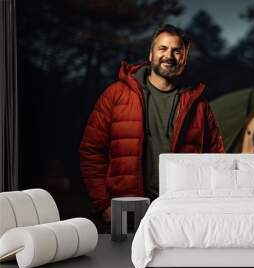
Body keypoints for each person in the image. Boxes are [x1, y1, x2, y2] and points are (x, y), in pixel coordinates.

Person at [79, 24, 224, 222]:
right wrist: (104, 204)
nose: (169, 56)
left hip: (180, 212)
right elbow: (91, 151)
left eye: (177, 51)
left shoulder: (198, 105)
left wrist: (205, 206)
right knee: (121, 254)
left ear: (184, 58)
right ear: (151, 54)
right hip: (126, 209)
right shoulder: (116, 95)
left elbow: (216, 160)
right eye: (162, 48)